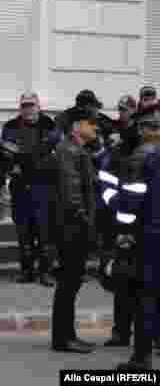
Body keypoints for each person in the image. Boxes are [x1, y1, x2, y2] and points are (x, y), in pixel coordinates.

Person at [105, 114, 160, 369]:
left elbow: (131, 199)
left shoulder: (144, 156)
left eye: (143, 127)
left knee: (144, 296)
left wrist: (124, 229)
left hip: (148, 234)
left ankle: (141, 359)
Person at [49, 108, 99, 354]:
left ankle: (67, 335)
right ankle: (63, 338)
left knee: (71, 283)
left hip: (73, 224)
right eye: (92, 123)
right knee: (69, 283)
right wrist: (83, 220)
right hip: (72, 226)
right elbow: (72, 191)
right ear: (77, 126)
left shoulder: (76, 149)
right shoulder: (68, 150)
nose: (96, 128)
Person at [0, 91, 59, 286]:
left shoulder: (50, 125)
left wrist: (25, 157)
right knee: (23, 232)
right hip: (20, 186)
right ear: (20, 107)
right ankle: (27, 271)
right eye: (24, 105)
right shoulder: (10, 126)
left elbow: (54, 153)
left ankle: (45, 272)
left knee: (45, 232)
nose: (28, 109)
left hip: (44, 186)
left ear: (39, 106)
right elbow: (5, 155)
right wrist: (1, 183)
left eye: (31, 105)